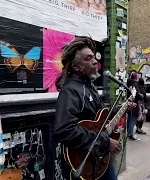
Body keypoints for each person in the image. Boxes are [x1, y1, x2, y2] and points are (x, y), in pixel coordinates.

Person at [53, 37, 133, 179]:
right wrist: (106, 141)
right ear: (76, 67)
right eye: (88, 58)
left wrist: (122, 108)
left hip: (98, 157)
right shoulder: (70, 91)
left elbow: (100, 115)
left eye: (94, 57)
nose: (95, 61)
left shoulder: (88, 86)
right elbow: (64, 130)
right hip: (83, 161)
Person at [126, 72, 140, 141]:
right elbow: (137, 94)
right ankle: (131, 134)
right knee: (133, 119)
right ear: (136, 77)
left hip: (128, 102)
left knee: (129, 119)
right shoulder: (135, 84)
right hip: (133, 104)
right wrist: (141, 96)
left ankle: (128, 132)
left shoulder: (128, 83)